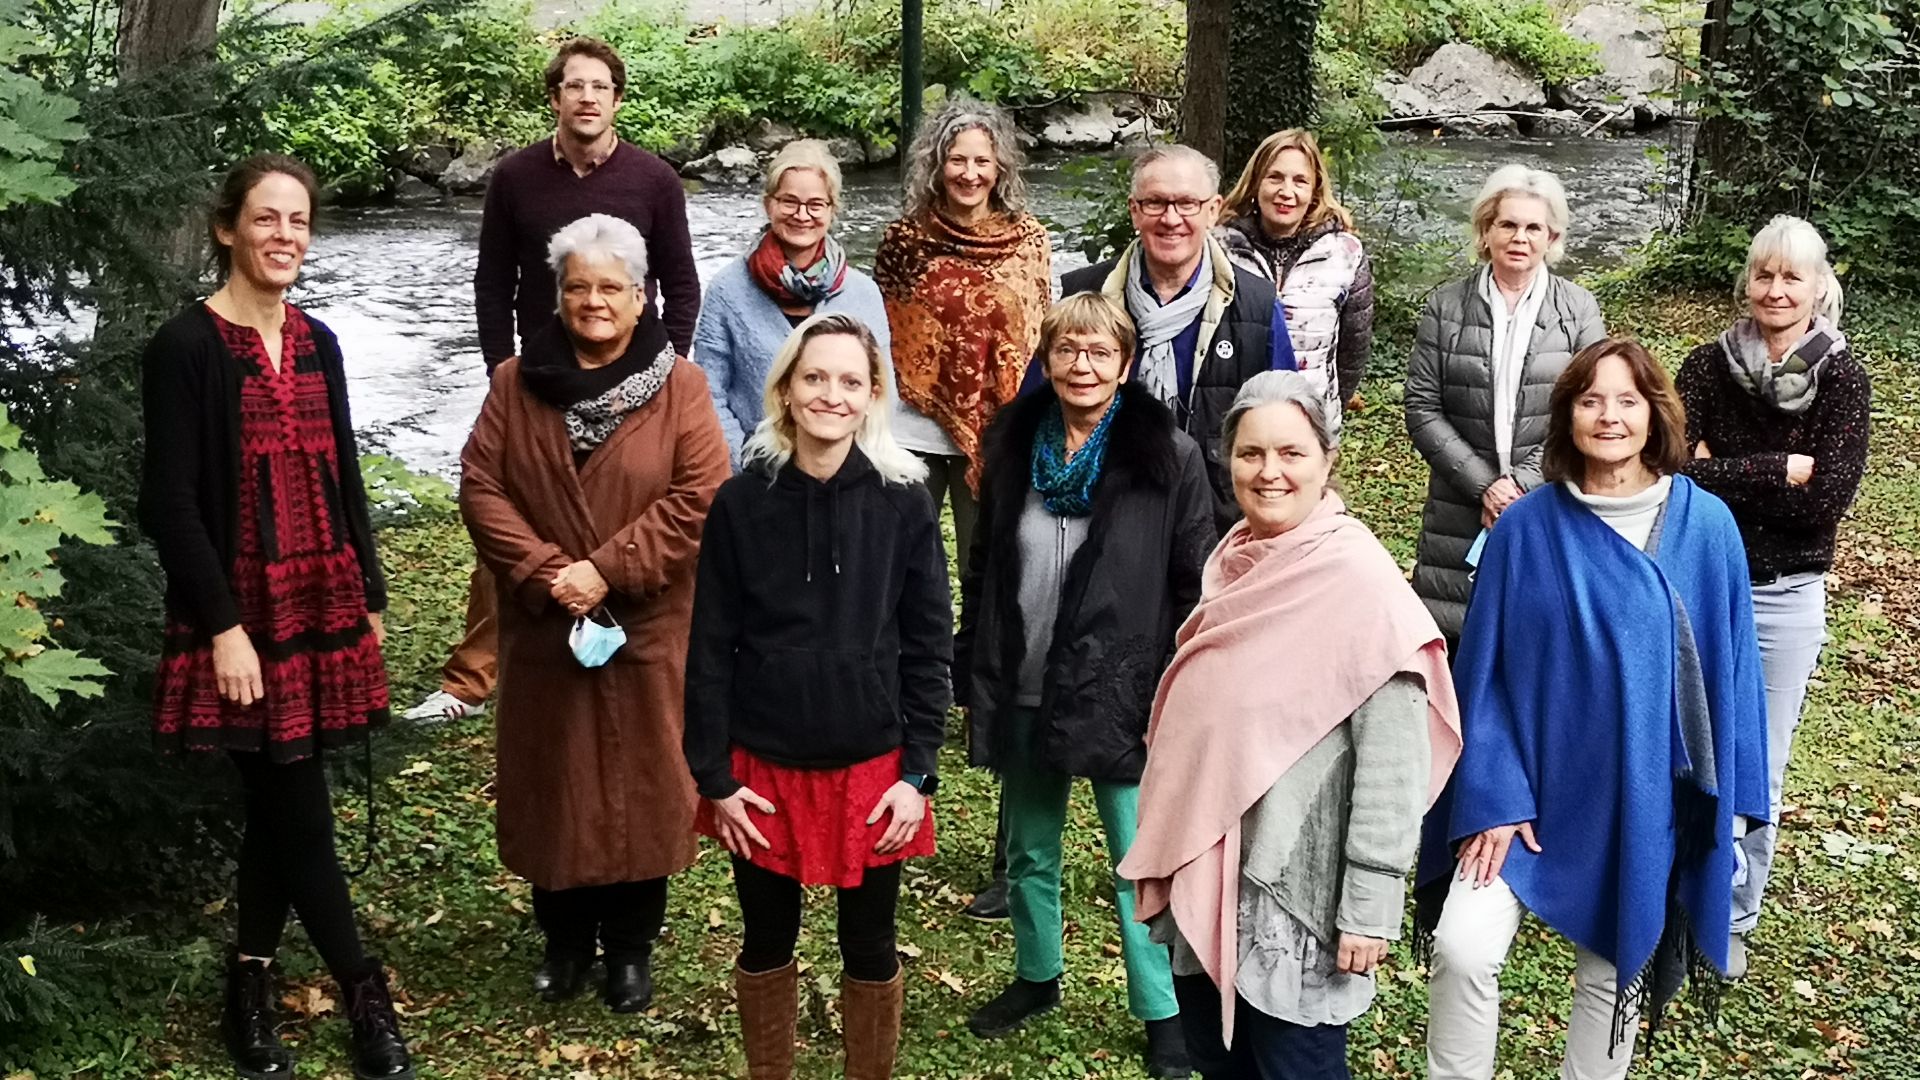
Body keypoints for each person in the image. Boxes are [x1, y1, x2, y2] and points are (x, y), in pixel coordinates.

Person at [1416, 339, 1770, 1080]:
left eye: (1627, 401)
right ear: (1568, 415)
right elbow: (1484, 679)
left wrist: (1726, 812)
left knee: (1614, 975)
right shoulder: (1523, 529)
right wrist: (1493, 799)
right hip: (1527, 798)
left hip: (1640, 800)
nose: (1609, 416)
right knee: (1463, 947)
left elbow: (1732, 675)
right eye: (1590, 400)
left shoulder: (1707, 530)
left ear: (1654, 414)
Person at [138, 154, 412, 1080]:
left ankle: (247, 983)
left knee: (280, 801)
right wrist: (222, 628)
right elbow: (169, 503)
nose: (285, 236)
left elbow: (343, 472)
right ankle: (363, 985)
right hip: (242, 612)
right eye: (266, 219)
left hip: (321, 596)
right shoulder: (184, 348)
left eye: (298, 220)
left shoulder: (319, 341)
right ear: (228, 229)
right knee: (295, 804)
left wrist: (370, 591)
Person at [1121, 370, 1463, 1078]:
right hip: (1208, 881)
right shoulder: (1231, 568)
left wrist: (1370, 906)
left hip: (1297, 908)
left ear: (1327, 460)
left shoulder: (1361, 585)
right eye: (1250, 454)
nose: (1269, 472)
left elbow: (1392, 769)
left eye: (1291, 453)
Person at [459, 214, 729, 1012]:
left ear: (642, 297)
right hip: (547, 625)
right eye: (578, 286)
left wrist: (606, 570)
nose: (593, 301)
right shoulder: (513, 382)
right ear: (558, 294)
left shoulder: (683, 386)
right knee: (556, 784)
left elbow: (702, 495)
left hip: (644, 624)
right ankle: (565, 944)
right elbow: (482, 488)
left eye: (610, 287)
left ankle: (631, 951)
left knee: (645, 787)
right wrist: (550, 573)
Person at [683, 313, 953, 1079]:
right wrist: (716, 778)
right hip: (760, 768)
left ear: (873, 397)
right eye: (814, 377)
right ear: (787, 390)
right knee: (767, 940)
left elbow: (930, 646)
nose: (830, 394)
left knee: (868, 943)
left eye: (849, 381)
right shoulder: (740, 503)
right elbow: (708, 646)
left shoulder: (905, 504)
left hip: (873, 767)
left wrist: (916, 775)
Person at [957, 292, 1215, 1079]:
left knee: (1134, 858)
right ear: (1047, 357)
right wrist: (976, 655)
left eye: (1100, 352)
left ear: (1125, 364)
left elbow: (1193, 576)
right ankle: (1036, 977)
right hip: (1025, 671)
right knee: (1030, 848)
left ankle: (1163, 1016)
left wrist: (1172, 678)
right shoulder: (1012, 445)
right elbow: (985, 566)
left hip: (1119, 683)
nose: (1082, 365)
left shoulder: (1166, 456)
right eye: (1067, 349)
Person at [409, 35, 701, 724]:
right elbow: (492, 284)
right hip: (538, 379)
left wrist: (667, 371)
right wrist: (497, 373)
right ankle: (469, 681)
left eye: (601, 86)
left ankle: (637, 654)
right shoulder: (514, 178)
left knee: (627, 520)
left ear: (618, 99)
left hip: (636, 379)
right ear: (555, 97)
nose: (588, 97)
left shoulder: (654, 180)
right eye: (575, 86)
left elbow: (682, 286)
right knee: (509, 522)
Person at [872, 96, 1051, 922]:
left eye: (983, 161)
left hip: (1002, 444)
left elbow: (1036, 344)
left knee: (1001, 616)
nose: (970, 174)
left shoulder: (1030, 242)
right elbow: (888, 344)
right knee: (900, 603)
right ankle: (895, 777)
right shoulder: (904, 244)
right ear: (935, 165)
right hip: (909, 437)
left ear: (1001, 167)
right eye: (956, 160)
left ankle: (1010, 849)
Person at [1676, 216, 1870, 974]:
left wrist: (1723, 465)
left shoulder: (1844, 378)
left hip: (1788, 598)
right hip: (1700, 582)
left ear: (1821, 288)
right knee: (1689, 746)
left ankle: (1733, 918)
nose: (1777, 290)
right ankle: (1675, 895)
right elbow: (1668, 470)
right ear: (1747, 283)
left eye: (1794, 277)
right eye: (1765, 275)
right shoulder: (1705, 365)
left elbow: (1824, 503)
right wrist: (1777, 467)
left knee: (1762, 761)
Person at [1403, 164, 1606, 643]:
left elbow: (1592, 407)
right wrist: (1485, 486)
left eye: (1533, 227)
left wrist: (1522, 484)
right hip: (1458, 509)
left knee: (1538, 643)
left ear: (1551, 235)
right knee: (1455, 644)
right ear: (1486, 230)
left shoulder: (1578, 310)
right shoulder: (1446, 306)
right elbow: (1422, 406)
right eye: (1508, 224)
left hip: (1550, 501)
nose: (1520, 237)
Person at [1047, 144, 1296, 530]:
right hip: (1100, 512)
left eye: (1186, 204)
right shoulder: (1084, 294)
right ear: (1134, 210)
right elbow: (1038, 408)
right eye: (1156, 203)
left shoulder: (1257, 306)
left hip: (1217, 519)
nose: (1171, 218)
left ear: (1213, 210)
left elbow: (1285, 423)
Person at [693, 140, 892, 464]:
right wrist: (744, 468)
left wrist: (853, 468)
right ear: (769, 204)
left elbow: (883, 394)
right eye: (789, 202)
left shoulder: (863, 294)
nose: (802, 215)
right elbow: (708, 392)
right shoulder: (727, 291)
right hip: (755, 474)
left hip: (845, 474)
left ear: (832, 210)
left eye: (816, 204)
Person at [1217, 129, 1376, 417]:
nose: (1286, 192)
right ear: (1255, 183)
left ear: (1314, 190)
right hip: (1236, 420)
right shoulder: (1220, 249)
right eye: (1274, 177)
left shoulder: (1345, 254)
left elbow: (1353, 352)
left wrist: (1329, 413)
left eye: (1300, 181)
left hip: (1311, 423)